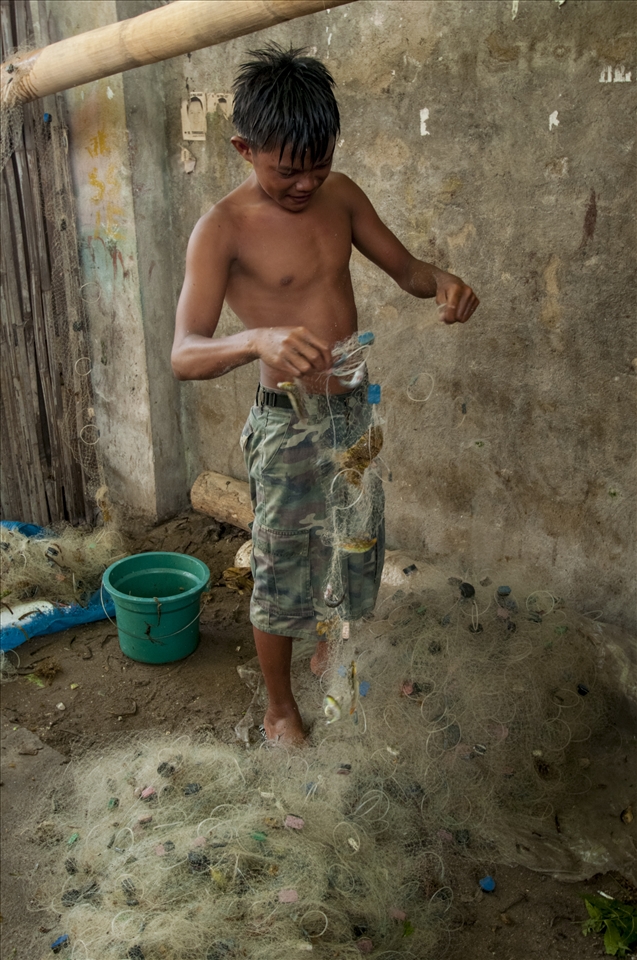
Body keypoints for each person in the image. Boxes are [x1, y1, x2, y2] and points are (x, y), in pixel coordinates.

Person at [171, 44, 479, 745]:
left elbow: (406, 271)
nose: (306, 184)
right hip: (287, 420)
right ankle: (280, 707)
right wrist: (256, 341)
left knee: (357, 544)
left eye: (318, 164)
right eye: (287, 171)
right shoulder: (221, 229)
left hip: (352, 412)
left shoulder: (338, 196)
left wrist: (445, 283)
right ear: (243, 148)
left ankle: (331, 644)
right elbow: (183, 353)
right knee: (282, 568)